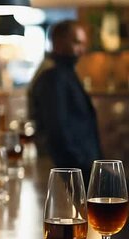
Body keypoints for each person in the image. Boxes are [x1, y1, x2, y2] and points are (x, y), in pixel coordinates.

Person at [28, 20, 102, 178]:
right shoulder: (53, 75)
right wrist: (82, 165)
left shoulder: (65, 72)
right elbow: (57, 131)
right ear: (59, 42)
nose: (82, 50)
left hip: (84, 166)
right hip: (74, 171)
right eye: (76, 42)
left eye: (83, 44)